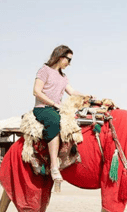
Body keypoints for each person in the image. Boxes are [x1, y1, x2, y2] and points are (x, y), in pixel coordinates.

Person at [32, 45, 86, 182]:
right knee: (55, 121)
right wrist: (53, 103)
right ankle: (54, 166)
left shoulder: (63, 77)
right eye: (68, 59)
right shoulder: (45, 70)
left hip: (56, 109)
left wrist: (86, 96)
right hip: (43, 108)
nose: (69, 63)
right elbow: (36, 91)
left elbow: (72, 92)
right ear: (60, 56)